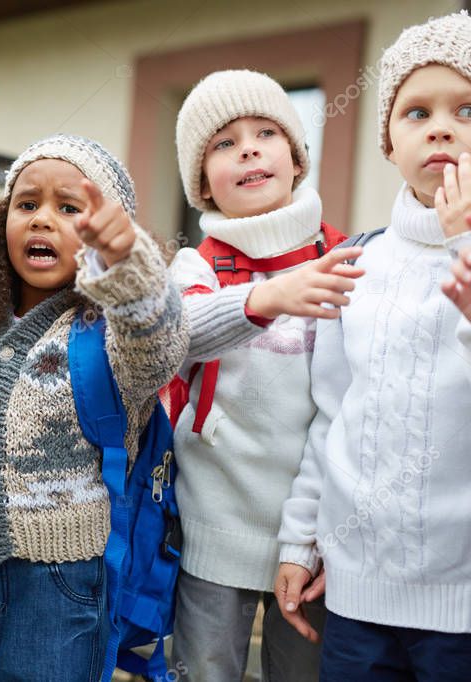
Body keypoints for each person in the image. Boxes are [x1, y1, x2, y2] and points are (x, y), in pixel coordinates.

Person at [276, 12, 471, 681]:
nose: (438, 126)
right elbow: (331, 414)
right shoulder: (355, 261)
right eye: (415, 111)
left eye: (468, 108)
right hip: (356, 603)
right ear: (387, 139)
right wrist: (301, 539)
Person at [0, 134, 187, 681]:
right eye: (27, 204)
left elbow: (160, 338)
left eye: (69, 208)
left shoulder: (110, 339)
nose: (42, 219)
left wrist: (129, 262)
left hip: (62, 587)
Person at [168, 69, 362, 681]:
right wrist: (265, 298)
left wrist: (320, 534)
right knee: (204, 669)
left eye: (267, 133)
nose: (248, 148)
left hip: (313, 533)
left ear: (297, 159)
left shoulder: (348, 258)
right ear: (202, 181)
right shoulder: (194, 267)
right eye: (223, 144)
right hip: (211, 525)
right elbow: (177, 335)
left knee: (304, 671)